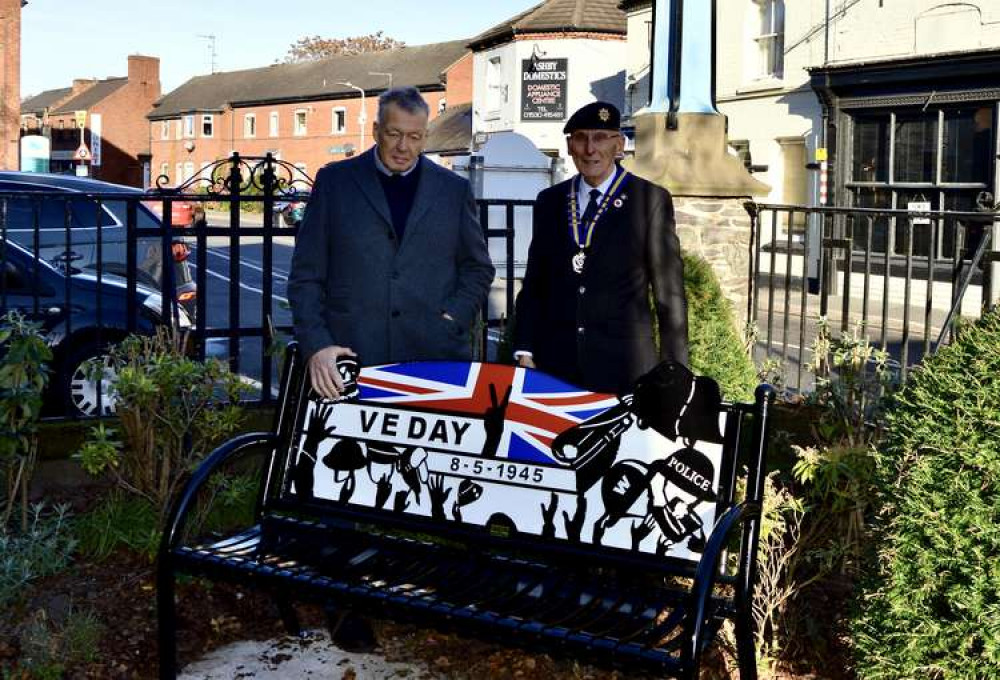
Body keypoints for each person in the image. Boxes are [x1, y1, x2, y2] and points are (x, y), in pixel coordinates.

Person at [288, 87, 495, 399]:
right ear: (375, 131)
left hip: (433, 360)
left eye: (414, 137)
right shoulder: (335, 182)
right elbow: (306, 276)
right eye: (393, 133)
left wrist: (452, 319)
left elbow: (478, 268)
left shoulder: (453, 190)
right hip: (350, 360)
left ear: (425, 136)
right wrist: (318, 345)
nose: (403, 146)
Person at [513, 101, 688, 394]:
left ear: (619, 145)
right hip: (556, 367)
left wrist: (675, 372)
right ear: (570, 146)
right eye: (581, 138)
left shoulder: (649, 200)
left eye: (600, 138)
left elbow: (668, 294)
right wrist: (524, 349)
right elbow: (535, 284)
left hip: (625, 369)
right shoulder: (550, 201)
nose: (590, 149)